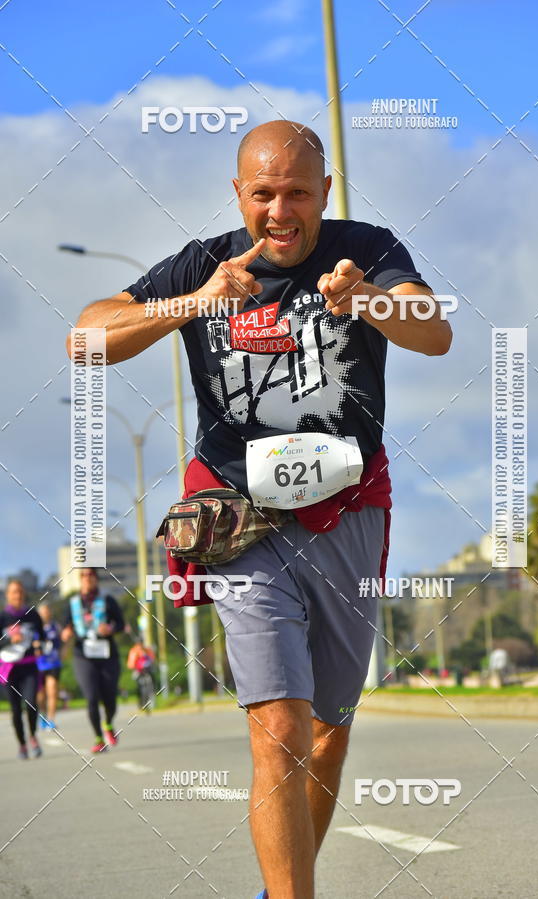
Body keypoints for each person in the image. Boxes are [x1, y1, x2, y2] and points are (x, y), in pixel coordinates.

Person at [67, 120, 451, 897]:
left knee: (327, 732)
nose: (281, 211)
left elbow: (435, 332)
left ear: (326, 193)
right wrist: (191, 303)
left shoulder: (365, 247)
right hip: (239, 521)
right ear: (240, 194)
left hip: (348, 512)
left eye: (298, 193)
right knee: (278, 728)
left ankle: (282, 886)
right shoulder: (205, 263)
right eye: (264, 194)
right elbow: (84, 340)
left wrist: (368, 298)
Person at [61, 567, 125, 753]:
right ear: (80, 580)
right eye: (83, 576)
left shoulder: (107, 600)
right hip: (83, 655)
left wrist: (111, 628)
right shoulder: (72, 603)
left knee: (109, 697)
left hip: (107, 654)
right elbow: (65, 626)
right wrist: (65, 633)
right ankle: (98, 737)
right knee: (91, 697)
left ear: (96, 579)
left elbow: (120, 623)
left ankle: (108, 723)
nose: (87, 579)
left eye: (90, 575)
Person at [0, 579, 44, 759]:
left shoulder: (32, 615)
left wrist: (38, 643)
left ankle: (33, 735)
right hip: (9, 668)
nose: (17, 595)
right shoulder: (2, 617)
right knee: (16, 709)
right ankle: (22, 744)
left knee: (31, 702)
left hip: (29, 665)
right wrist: (10, 639)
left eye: (19, 591)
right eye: (13, 592)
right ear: (7, 595)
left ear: (23, 594)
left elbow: (41, 636)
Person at [36, 602, 63, 730]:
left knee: (52, 691)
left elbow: (63, 642)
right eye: (43, 611)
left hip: (54, 663)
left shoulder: (56, 627)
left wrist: (64, 651)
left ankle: (51, 720)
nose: (46, 613)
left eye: (47, 611)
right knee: (40, 694)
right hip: (39, 664)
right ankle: (42, 715)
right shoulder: (35, 628)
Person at [126, 636, 156, 710]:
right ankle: (140, 700)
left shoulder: (147, 650)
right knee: (138, 685)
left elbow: (152, 659)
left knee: (153, 679)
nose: (140, 644)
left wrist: (150, 663)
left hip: (147, 670)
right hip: (138, 670)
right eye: (139, 643)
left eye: (141, 642)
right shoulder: (133, 651)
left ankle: (153, 693)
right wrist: (135, 666)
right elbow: (131, 663)